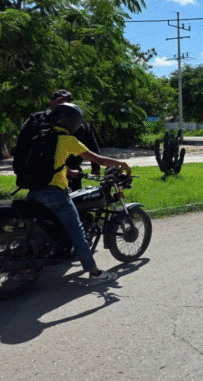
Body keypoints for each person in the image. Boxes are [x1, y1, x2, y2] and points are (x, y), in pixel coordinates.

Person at [25, 102, 131, 284]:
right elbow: (97, 158)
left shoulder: (43, 137)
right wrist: (120, 164)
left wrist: (67, 171)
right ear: (73, 123)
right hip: (54, 194)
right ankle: (94, 273)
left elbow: (48, 162)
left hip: (33, 192)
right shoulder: (68, 141)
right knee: (77, 232)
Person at [49, 90, 101, 191]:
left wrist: (96, 168)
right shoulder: (43, 121)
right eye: (61, 101)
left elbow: (92, 145)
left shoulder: (80, 123)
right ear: (52, 103)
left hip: (74, 172)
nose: (64, 104)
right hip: (51, 173)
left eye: (67, 101)